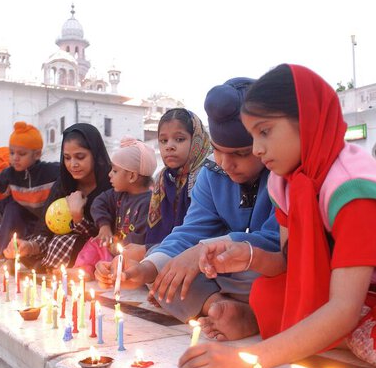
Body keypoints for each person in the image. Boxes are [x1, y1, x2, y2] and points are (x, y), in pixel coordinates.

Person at [177, 64, 376, 368]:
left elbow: (344, 306)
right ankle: (351, 332)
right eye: (252, 136)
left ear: (307, 121)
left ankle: (332, 331)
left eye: (265, 132)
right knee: (266, 295)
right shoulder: (286, 183)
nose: (256, 149)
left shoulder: (353, 186)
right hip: (361, 284)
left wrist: (249, 359)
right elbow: (287, 262)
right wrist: (248, 255)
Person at [97, 78, 280, 331]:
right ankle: (220, 309)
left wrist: (205, 251)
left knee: (279, 276)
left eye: (240, 153)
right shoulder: (211, 173)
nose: (226, 164)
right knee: (163, 272)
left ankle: (247, 314)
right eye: (218, 150)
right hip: (222, 275)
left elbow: (278, 244)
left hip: (261, 273)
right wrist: (143, 270)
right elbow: (190, 232)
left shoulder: (280, 174)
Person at [3, 123, 111, 273]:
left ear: (95, 154)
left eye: (80, 157)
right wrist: (29, 247)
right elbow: (46, 229)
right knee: (34, 246)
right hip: (59, 251)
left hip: (94, 257)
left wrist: (78, 217)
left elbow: (104, 238)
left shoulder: (110, 185)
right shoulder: (64, 184)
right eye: (67, 158)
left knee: (68, 241)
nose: (73, 164)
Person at [122, 108, 211, 262]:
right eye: (163, 141)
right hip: (163, 255)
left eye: (179, 139)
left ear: (197, 139)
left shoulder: (208, 174)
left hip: (201, 258)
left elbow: (204, 232)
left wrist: (147, 251)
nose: (169, 146)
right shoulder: (164, 178)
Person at [0, 121, 60, 256]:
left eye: (21, 154)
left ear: (37, 154)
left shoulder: (51, 171)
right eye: (12, 153)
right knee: (12, 207)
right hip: (27, 224)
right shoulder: (10, 174)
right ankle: (5, 253)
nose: (15, 158)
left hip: (51, 224)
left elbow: (69, 174)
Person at [86, 137, 156, 269]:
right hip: (113, 249)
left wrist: (114, 247)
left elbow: (138, 240)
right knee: (93, 243)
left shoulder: (148, 203)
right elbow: (98, 203)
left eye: (115, 171)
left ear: (132, 176)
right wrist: (104, 226)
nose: (109, 175)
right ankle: (86, 269)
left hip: (131, 258)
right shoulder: (118, 194)